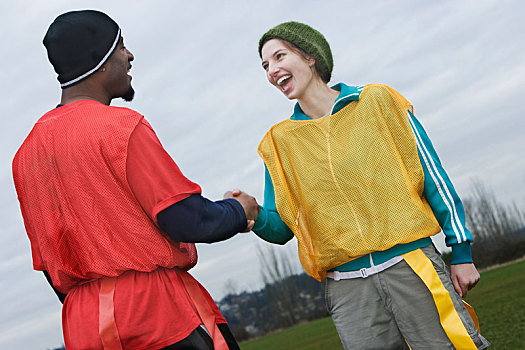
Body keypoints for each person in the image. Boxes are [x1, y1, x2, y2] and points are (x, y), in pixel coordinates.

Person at [229, 21, 490, 349]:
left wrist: (462, 251)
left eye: (279, 56)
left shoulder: (378, 101)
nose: (271, 70)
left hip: (412, 266)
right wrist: (249, 216)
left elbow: (433, 177)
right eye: (265, 65)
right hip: (348, 290)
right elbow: (281, 227)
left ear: (310, 57)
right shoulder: (278, 143)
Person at [12, 10, 259, 350]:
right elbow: (188, 219)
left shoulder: (25, 156)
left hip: (84, 324)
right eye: (121, 47)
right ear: (100, 61)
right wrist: (238, 208)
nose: (129, 56)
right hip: (157, 313)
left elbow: (48, 264)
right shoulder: (120, 127)